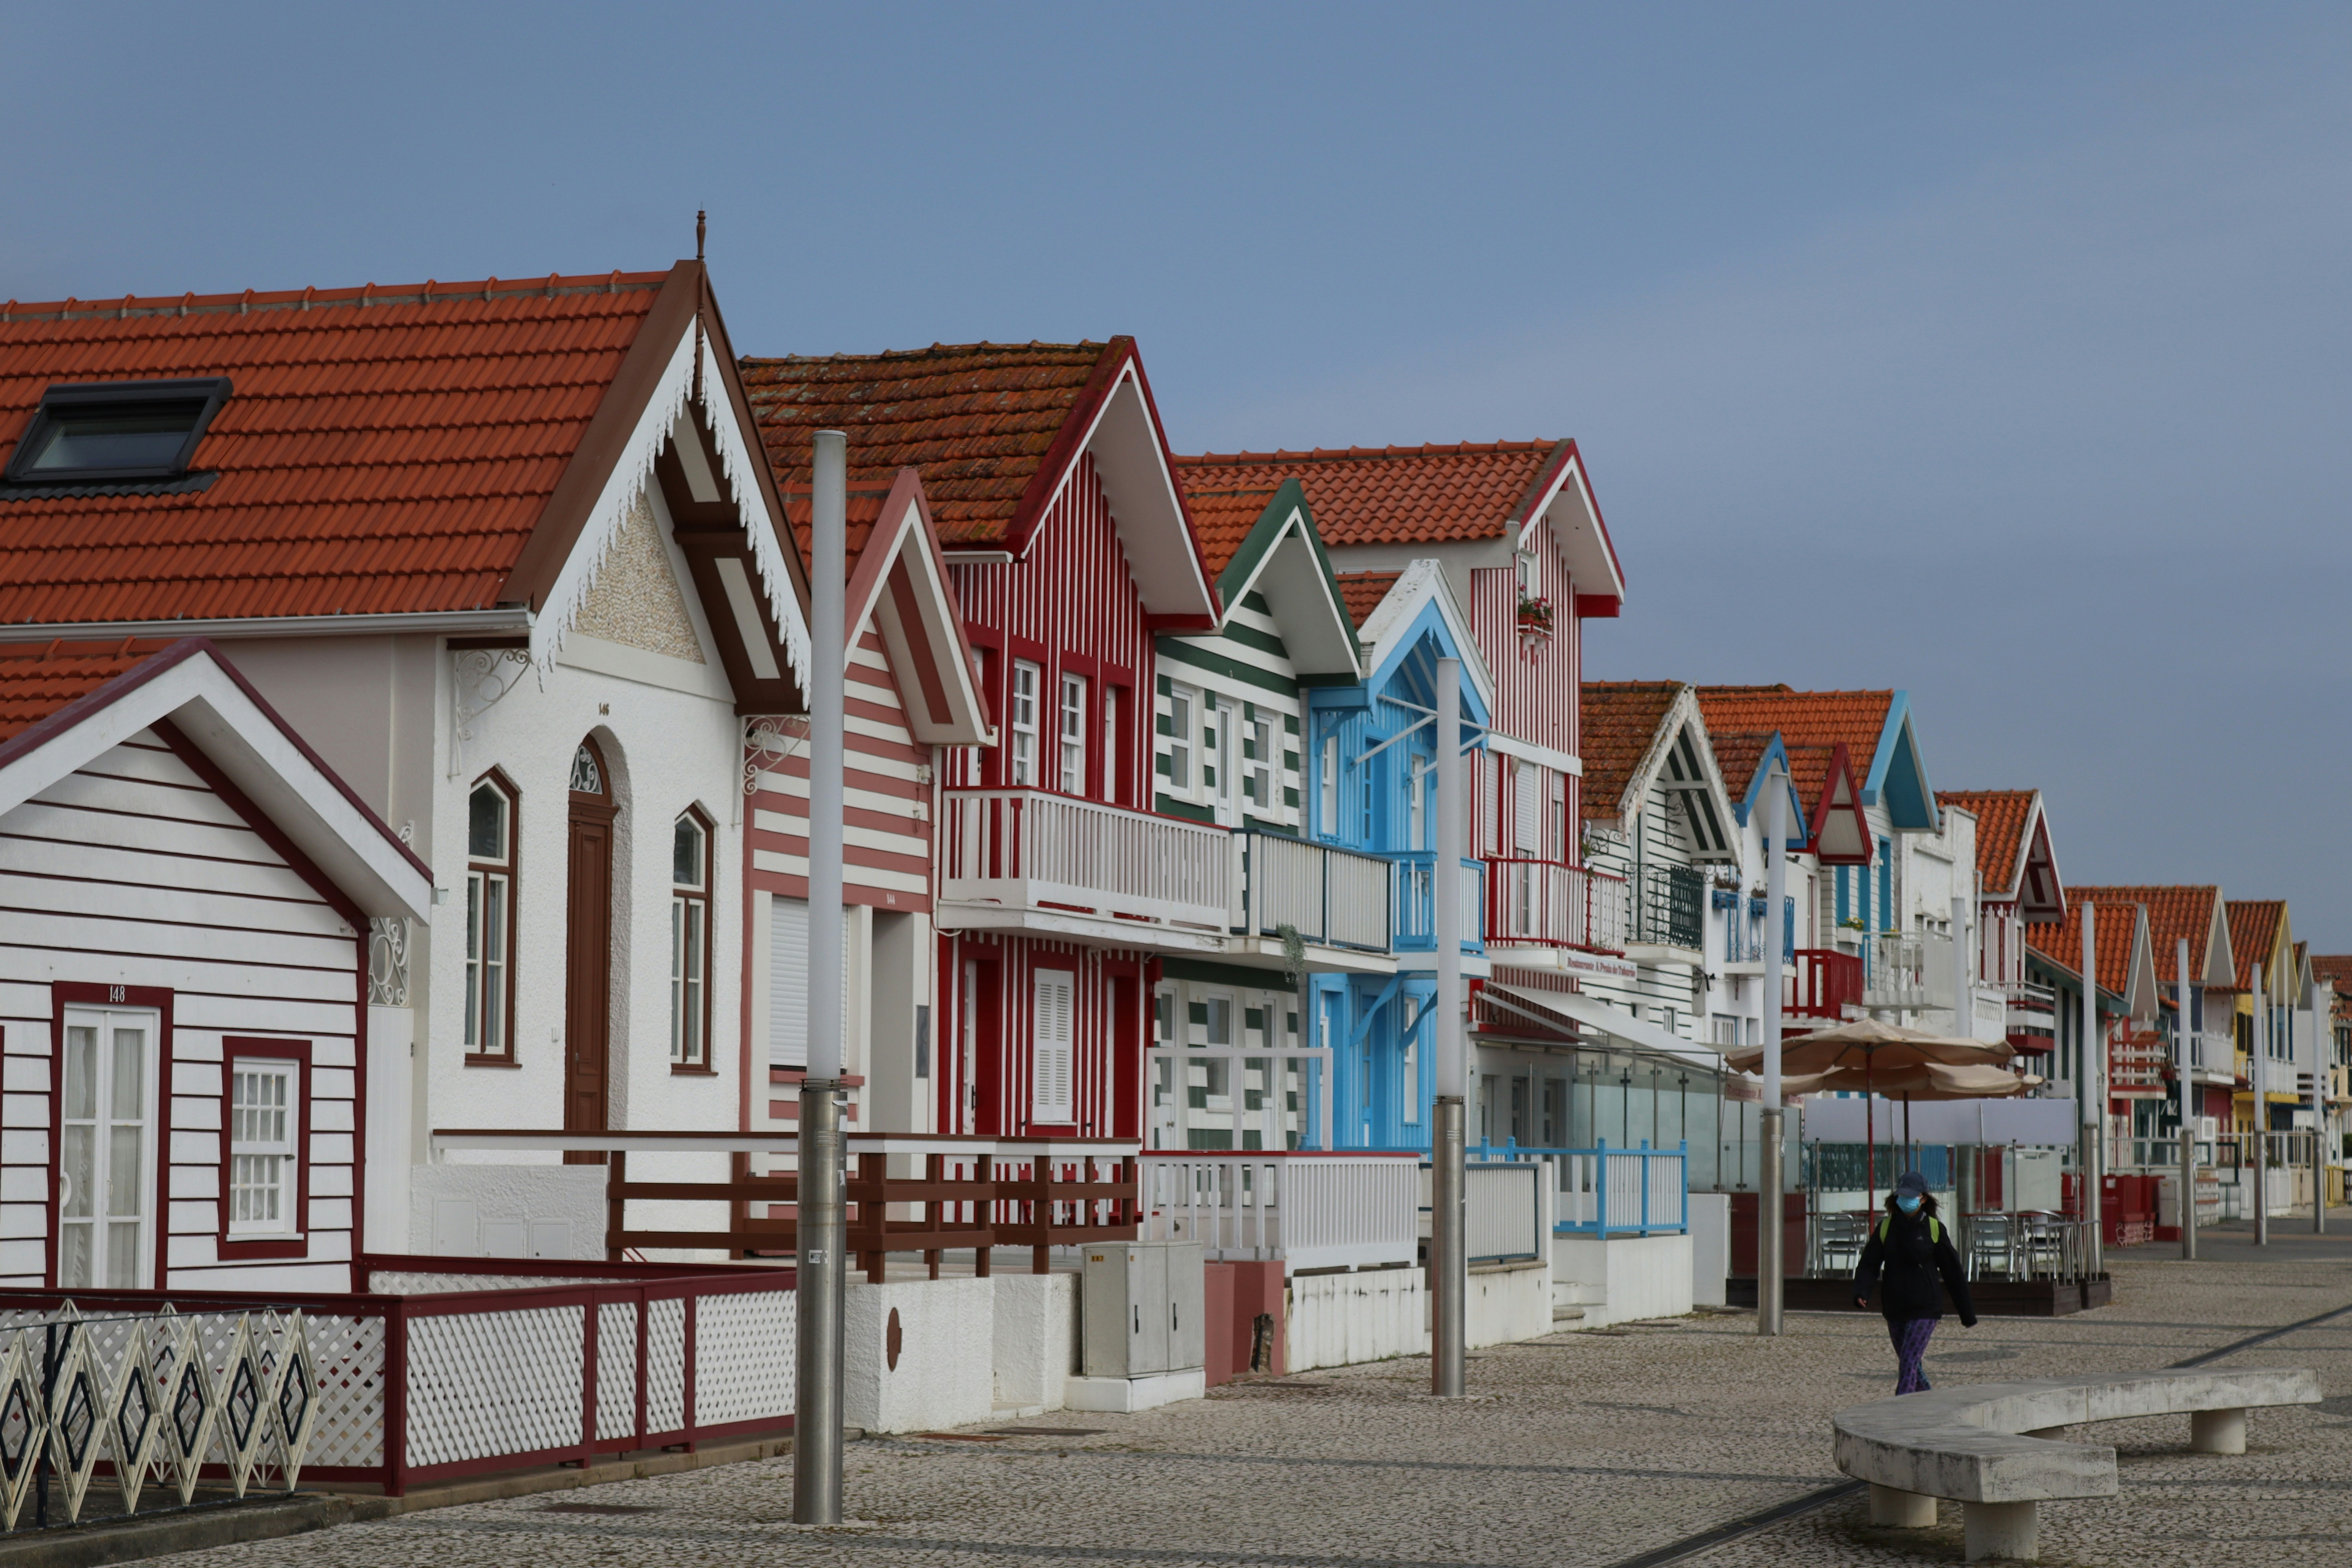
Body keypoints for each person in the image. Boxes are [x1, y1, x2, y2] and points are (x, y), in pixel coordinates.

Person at [1853, 1170, 1976, 1394]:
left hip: (1925, 1308)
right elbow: (1869, 1264)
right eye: (1902, 1195)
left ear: (1923, 1198)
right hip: (1895, 1307)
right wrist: (1862, 1291)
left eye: (1911, 1196)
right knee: (1912, 1364)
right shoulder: (1886, 1228)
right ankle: (1929, 1404)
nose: (1906, 1201)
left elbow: (1953, 1273)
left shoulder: (1934, 1229)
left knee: (1908, 1363)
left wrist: (1966, 1313)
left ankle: (1901, 1411)